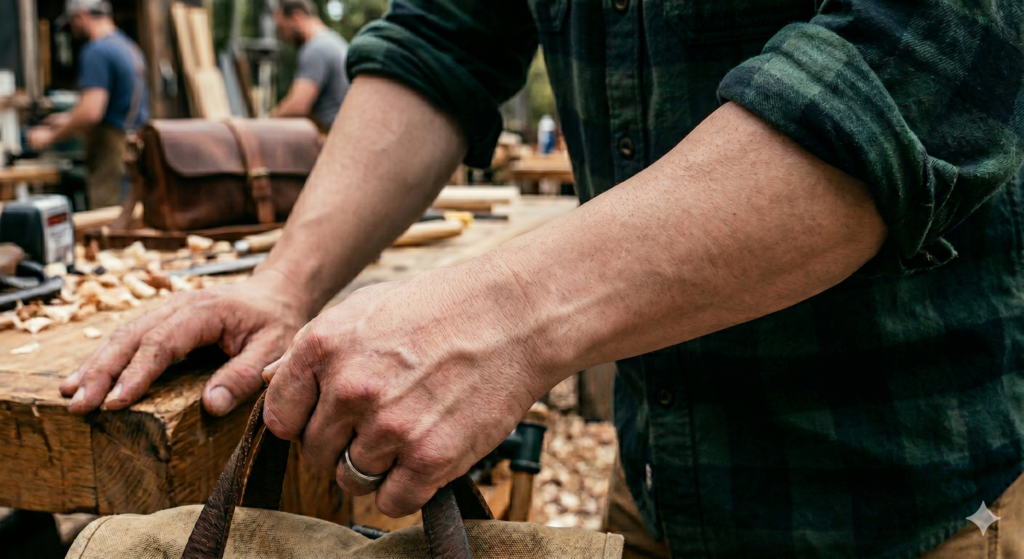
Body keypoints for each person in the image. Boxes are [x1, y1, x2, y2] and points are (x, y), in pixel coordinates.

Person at [64, 0, 1024, 557]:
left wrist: (509, 312)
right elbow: (444, 38)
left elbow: (910, 67)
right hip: (659, 486)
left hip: (919, 506)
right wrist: (287, 282)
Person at [27, 0, 149, 209]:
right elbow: (116, 103)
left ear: (82, 16)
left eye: (73, 22)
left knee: (106, 219)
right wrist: (66, 118)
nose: (73, 29)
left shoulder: (96, 51)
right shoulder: (127, 46)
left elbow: (91, 112)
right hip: (134, 142)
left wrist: (49, 136)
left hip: (111, 149)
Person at [270, 0, 349, 131]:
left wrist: (263, 123)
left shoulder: (316, 49)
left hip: (330, 135)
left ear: (297, 17)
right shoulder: (333, 41)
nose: (283, 37)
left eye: (282, 28)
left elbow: (297, 105)